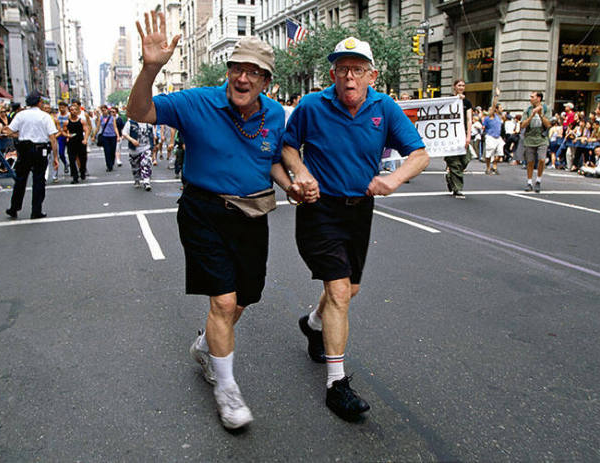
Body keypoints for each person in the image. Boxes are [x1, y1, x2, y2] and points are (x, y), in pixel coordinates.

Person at [127, 11, 300, 430]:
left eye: (253, 73)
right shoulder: (196, 102)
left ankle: (207, 345)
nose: (243, 78)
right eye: (237, 69)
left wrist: (291, 184)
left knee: (243, 299)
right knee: (222, 301)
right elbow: (139, 111)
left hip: (253, 214)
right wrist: (150, 69)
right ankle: (226, 388)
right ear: (228, 72)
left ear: (266, 82)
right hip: (204, 212)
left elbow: (271, 159)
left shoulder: (275, 115)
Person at [282, 37, 429, 421]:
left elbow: (420, 154)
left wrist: (393, 180)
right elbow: (287, 147)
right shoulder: (313, 105)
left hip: (360, 210)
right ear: (332, 73)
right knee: (340, 292)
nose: (350, 76)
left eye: (358, 69)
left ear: (371, 75)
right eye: (343, 69)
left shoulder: (385, 107)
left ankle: (312, 324)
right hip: (320, 209)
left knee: (350, 289)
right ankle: (336, 384)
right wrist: (301, 172)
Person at [4, 90, 58, 219]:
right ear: (39, 102)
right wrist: (55, 157)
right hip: (40, 150)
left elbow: (9, 131)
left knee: (20, 179)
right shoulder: (45, 116)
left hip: (24, 149)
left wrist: (21, 135)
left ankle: (14, 208)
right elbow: (52, 137)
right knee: (39, 180)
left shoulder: (21, 115)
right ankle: (36, 210)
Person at [444, 79, 472, 198]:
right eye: (459, 85)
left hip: (462, 134)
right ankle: (457, 188)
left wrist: (468, 136)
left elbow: (469, 119)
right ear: (454, 87)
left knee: (466, 159)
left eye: (463, 85)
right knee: (454, 163)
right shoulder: (449, 100)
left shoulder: (467, 102)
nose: (461, 87)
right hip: (451, 135)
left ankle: (450, 176)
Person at [519, 91, 551, 192]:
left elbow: (548, 124)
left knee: (542, 159)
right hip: (529, 138)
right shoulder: (527, 110)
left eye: (532, 97)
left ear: (538, 98)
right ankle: (529, 182)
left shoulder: (546, 109)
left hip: (542, 138)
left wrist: (540, 114)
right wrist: (531, 116)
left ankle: (538, 180)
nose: (530, 99)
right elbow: (522, 125)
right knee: (530, 161)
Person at [121, 117, 155, 190]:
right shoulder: (130, 123)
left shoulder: (149, 123)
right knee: (135, 166)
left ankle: (146, 181)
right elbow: (124, 133)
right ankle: (137, 179)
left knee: (146, 163)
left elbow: (152, 135)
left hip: (146, 147)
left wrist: (153, 146)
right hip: (134, 149)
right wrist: (132, 140)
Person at [66, 103, 90, 183]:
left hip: (80, 141)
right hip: (71, 142)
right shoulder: (67, 122)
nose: (74, 111)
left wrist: (85, 139)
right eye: (72, 110)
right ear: (69, 111)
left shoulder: (81, 121)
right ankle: (75, 177)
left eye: (75, 110)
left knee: (83, 158)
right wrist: (67, 136)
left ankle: (82, 171)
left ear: (78, 111)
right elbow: (64, 131)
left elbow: (86, 130)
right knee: (72, 160)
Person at [482, 88, 503, 174]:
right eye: (501, 108)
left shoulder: (499, 116)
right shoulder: (490, 116)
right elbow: (494, 105)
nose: (502, 109)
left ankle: (494, 165)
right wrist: (496, 96)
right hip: (490, 136)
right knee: (489, 154)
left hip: (498, 137)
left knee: (499, 154)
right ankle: (488, 168)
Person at [98, 104, 120, 171]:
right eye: (102, 110)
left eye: (104, 110)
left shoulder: (112, 118)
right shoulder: (101, 118)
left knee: (112, 150)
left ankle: (112, 162)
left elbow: (115, 127)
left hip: (113, 136)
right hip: (105, 136)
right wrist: (94, 135)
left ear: (107, 110)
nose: (103, 111)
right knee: (107, 151)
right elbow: (98, 127)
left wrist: (118, 136)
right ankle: (109, 165)